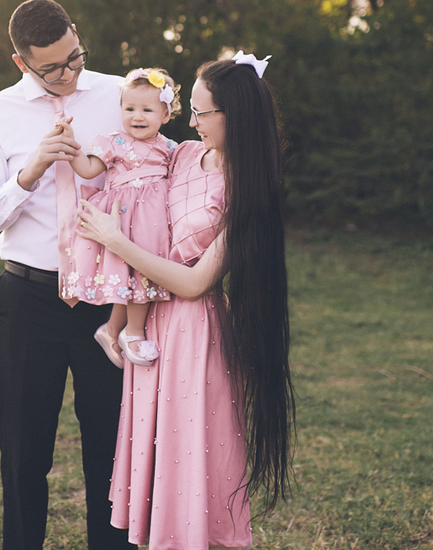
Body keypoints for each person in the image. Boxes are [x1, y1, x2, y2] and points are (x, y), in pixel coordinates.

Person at [76, 53, 294, 550]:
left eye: (201, 114)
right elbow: (133, 180)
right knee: (156, 463)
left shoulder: (249, 190)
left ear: (232, 117)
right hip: (149, 324)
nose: (191, 123)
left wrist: (116, 242)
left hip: (195, 333)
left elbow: (196, 283)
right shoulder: (184, 156)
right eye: (189, 112)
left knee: (191, 460)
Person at [0, 0, 136, 550]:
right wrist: (30, 172)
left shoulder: (119, 95)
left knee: (112, 454)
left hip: (105, 301)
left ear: (77, 36)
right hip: (27, 300)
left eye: (74, 58)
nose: (67, 74)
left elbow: (162, 164)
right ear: (21, 63)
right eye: (51, 68)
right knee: (22, 453)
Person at [58, 67, 180, 368]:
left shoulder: (170, 149)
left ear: (165, 115)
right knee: (133, 275)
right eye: (130, 108)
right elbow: (87, 169)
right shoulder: (113, 141)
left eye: (147, 110)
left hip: (152, 224)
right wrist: (71, 144)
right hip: (122, 221)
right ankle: (133, 331)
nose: (137, 116)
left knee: (143, 272)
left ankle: (111, 329)